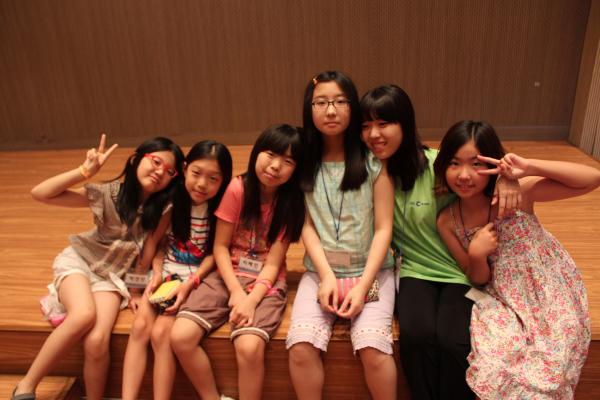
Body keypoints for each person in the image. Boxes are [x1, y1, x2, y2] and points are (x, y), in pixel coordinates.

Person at [360, 85, 520, 399]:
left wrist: (506, 178)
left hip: (461, 269)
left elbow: (477, 172)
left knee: (453, 341)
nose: (374, 134)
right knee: (416, 337)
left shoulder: (440, 166)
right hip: (415, 270)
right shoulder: (368, 172)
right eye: (366, 126)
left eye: (384, 123)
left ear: (405, 124)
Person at [434, 120, 598, 399]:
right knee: (498, 357)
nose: (464, 175)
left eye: (476, 164)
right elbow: (477, 278)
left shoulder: (515, 193)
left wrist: (528, 167)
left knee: (554, 352)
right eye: (454, 163)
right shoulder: (448, 221)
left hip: (547, 286)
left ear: (494, 163)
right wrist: (476, 254)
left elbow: (592, 178)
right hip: (502, 297)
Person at [13, 134, 184, 400]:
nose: (160, 171)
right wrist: (84, 171)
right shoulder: (109, 194)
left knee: (96, 340)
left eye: (169, 171)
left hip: (112, 277)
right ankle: (26, 386)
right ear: (135, 159)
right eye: (156, 162)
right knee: (83, 315)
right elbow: (41, 193)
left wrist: (136, 291)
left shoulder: (162, 208)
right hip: (81, 262)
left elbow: (148, 250)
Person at [170, 124, 305, 400]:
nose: (275, 166)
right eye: (271, 154)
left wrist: (251, 300)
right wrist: (234, 290)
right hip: (227, 274)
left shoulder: (291, 202)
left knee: (249, 347)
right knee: (180, 337)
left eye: (288, 161)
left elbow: (273, 263)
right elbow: (220, 247)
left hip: (264, 283)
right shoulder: (237, 188)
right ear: (257, 152)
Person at [286, 71, 397, 400]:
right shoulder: (303, 162)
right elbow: (306, 225)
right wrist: (325, 277)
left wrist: (362, 286)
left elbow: (384, 228)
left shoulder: (373, 161)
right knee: (301, 347)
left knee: (373, 348)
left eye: (339, 101)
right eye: (321, 102)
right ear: (309, 108)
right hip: (321, 272)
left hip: (372, 272)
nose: (330, 110)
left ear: (352, 106)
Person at [122, 140, 232, 400]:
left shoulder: (222, 208)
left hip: (197, 279)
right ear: (184, 169)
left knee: (161, 334)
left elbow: (215, 254)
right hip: (167, 274)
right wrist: (150, 277)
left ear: (223, 180)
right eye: (196, 173)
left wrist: (190, 283)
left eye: (213, 178)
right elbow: (156, 243)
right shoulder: (172, 202)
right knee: (140, 327)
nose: (202, 184)